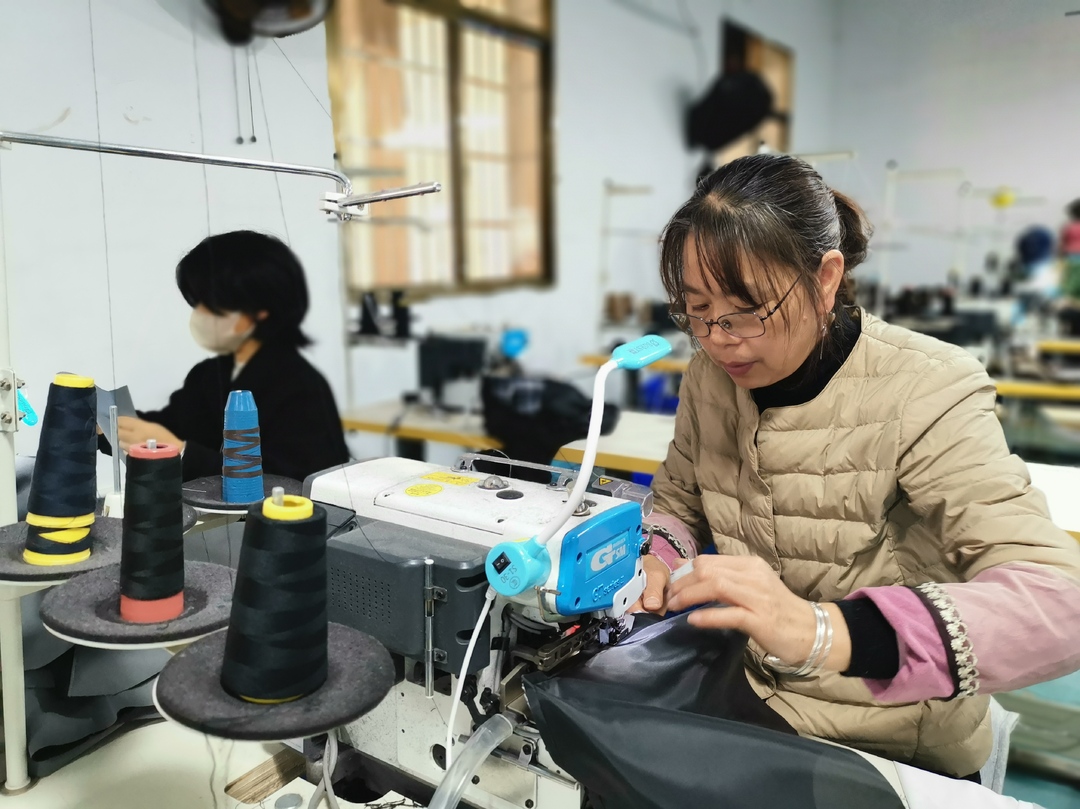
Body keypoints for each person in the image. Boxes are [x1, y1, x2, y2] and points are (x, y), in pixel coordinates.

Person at [634, 154, 1080, 780]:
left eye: (747, 309)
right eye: (697, 310)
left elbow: (1059, 605)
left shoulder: (927, 387)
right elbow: (679, 501)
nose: (719, 338)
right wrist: (657, 556)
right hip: (756, 706)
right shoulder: (709, 377)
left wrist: (820, 630)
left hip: (892, 742)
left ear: (825, 278)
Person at [106, 230, 350, 482]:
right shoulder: (208, 375)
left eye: (211, 303)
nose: (200, 314)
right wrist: (106, 423)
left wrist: (180, 452)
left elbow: (288, 481)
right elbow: (171, 425)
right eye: (198, 303)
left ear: (260, 308)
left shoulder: (302, 388)